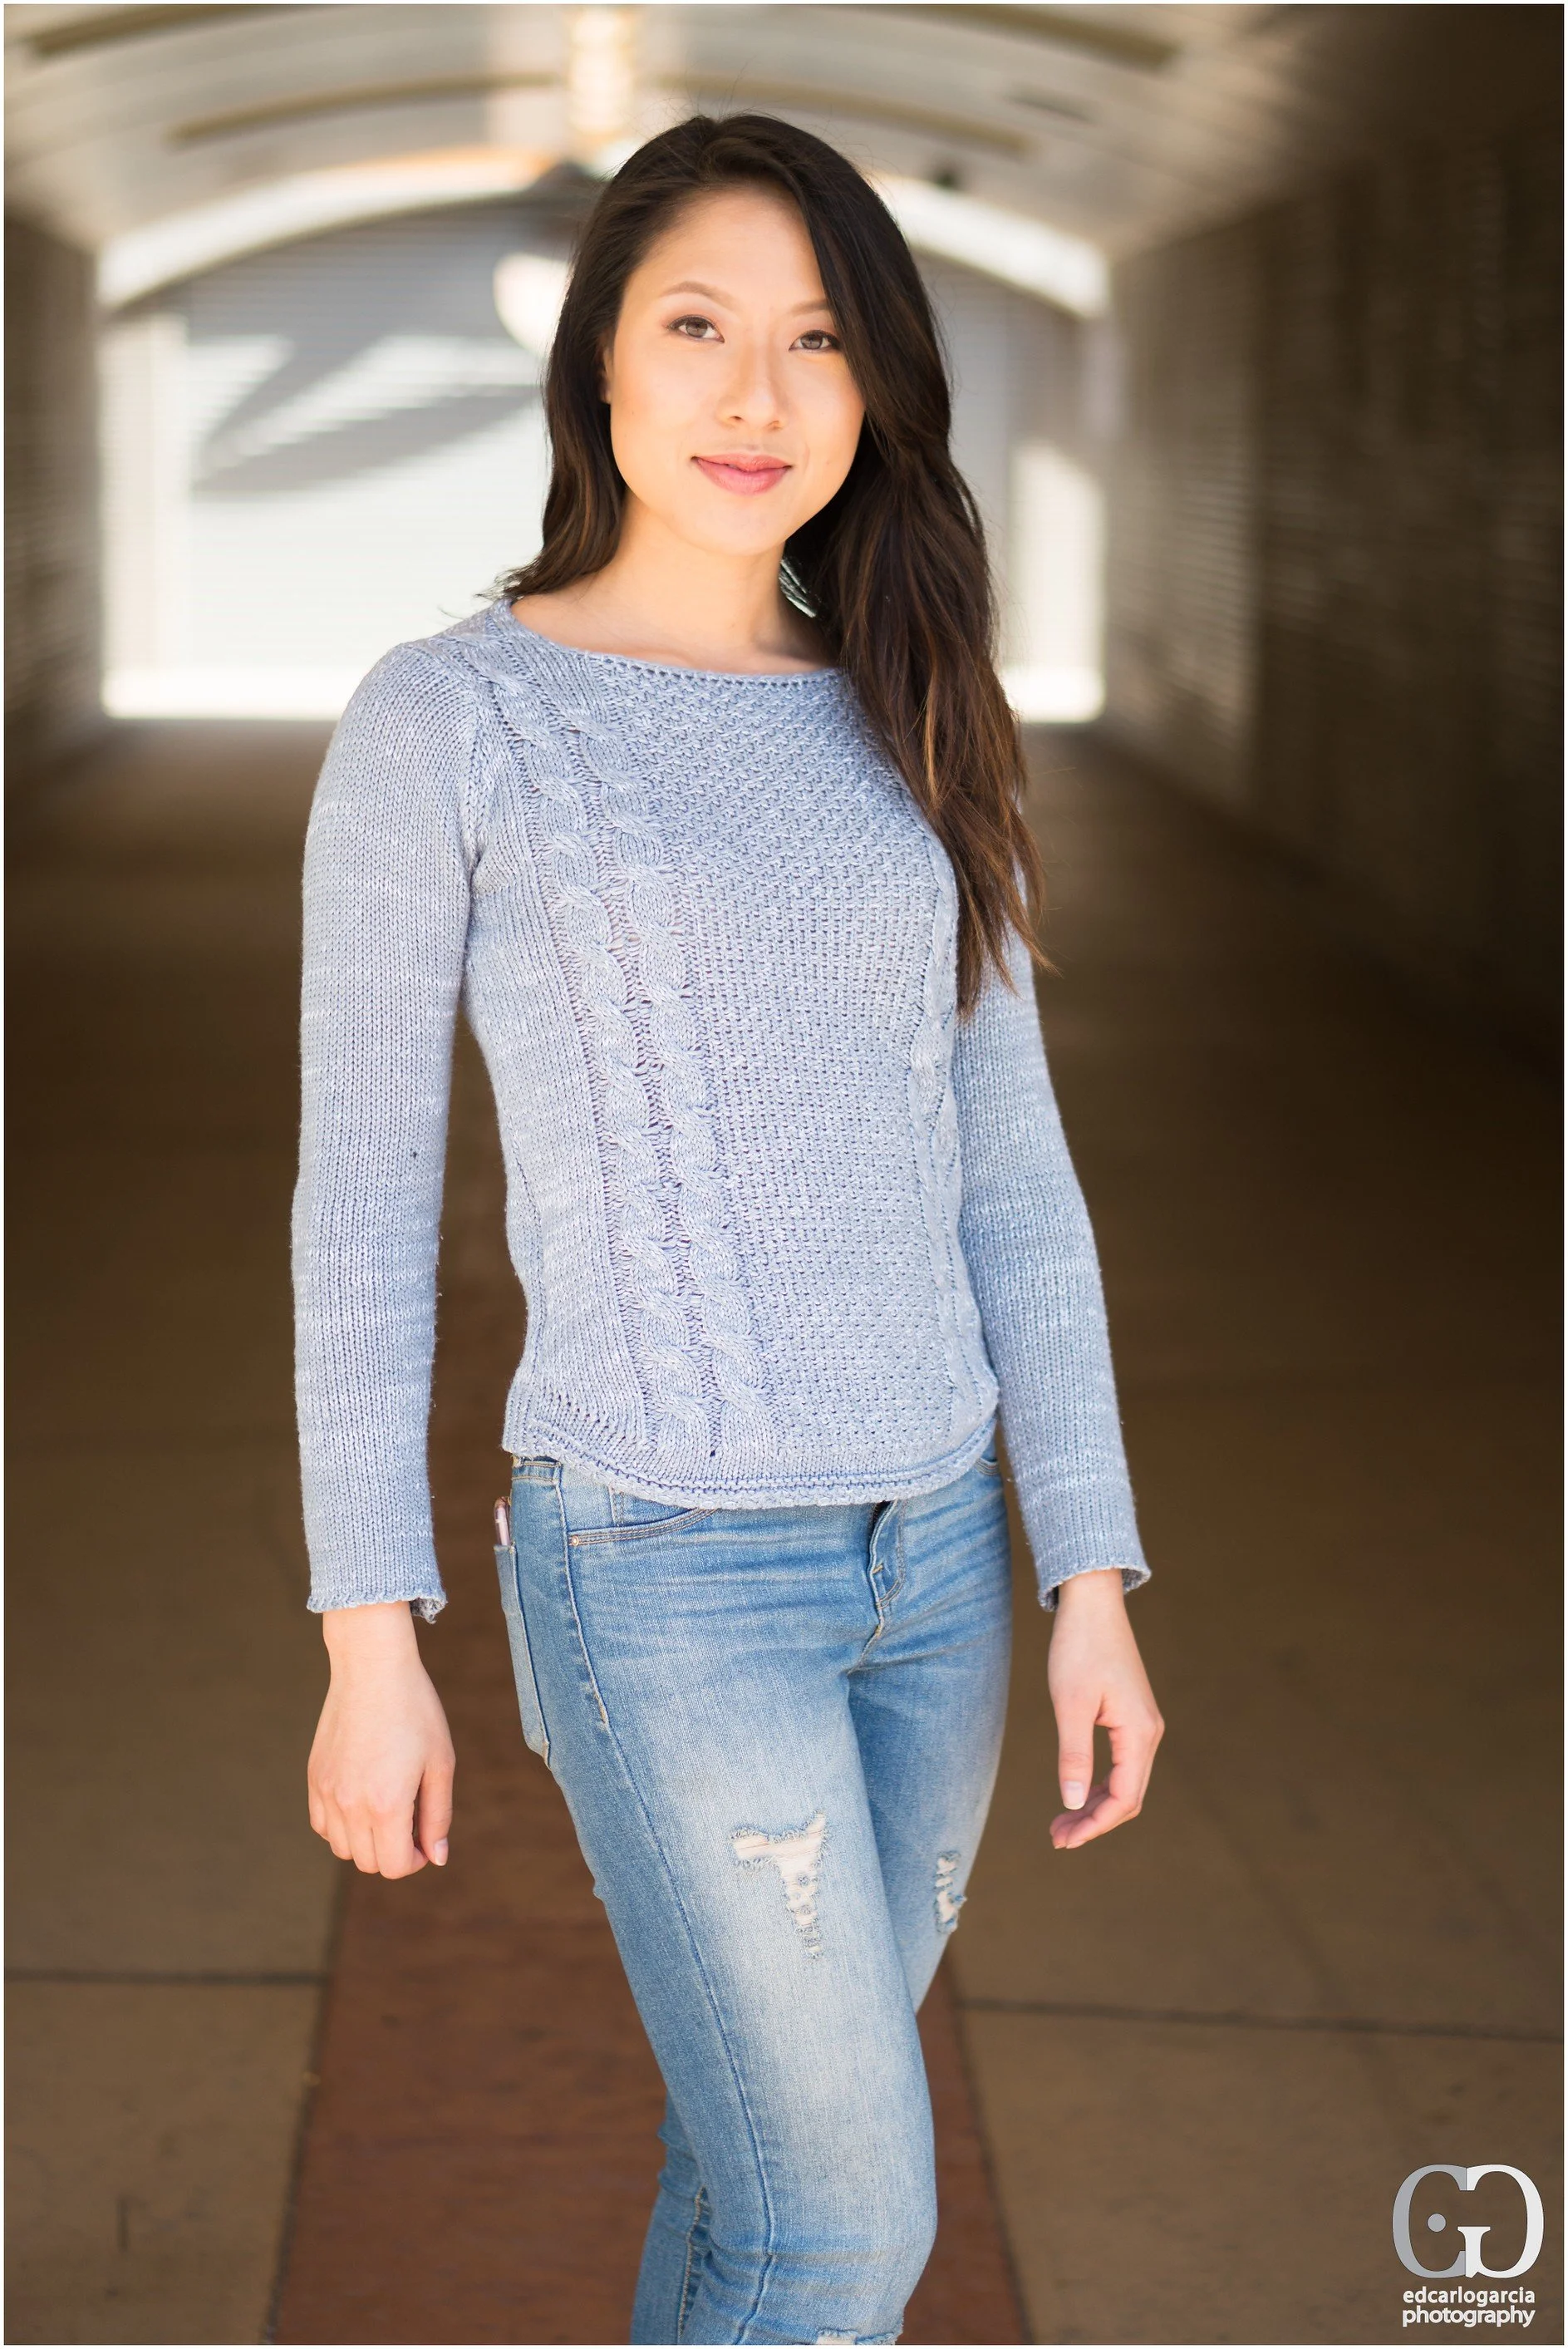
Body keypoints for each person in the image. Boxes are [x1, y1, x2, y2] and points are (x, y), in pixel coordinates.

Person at [295, 111, 1164, 2347]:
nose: (757, 396)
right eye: (697, 329)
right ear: (599, 368)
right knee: (836, 2234)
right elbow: (363, 1206)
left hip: (935, 1571)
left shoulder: (910, 711)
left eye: (814, 342)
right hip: (668, 1577)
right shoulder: (452, 724)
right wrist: (368, 1635)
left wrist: (1089, 1573)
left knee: (755, 2178)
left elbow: (1014, 1186)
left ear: (876, 391)